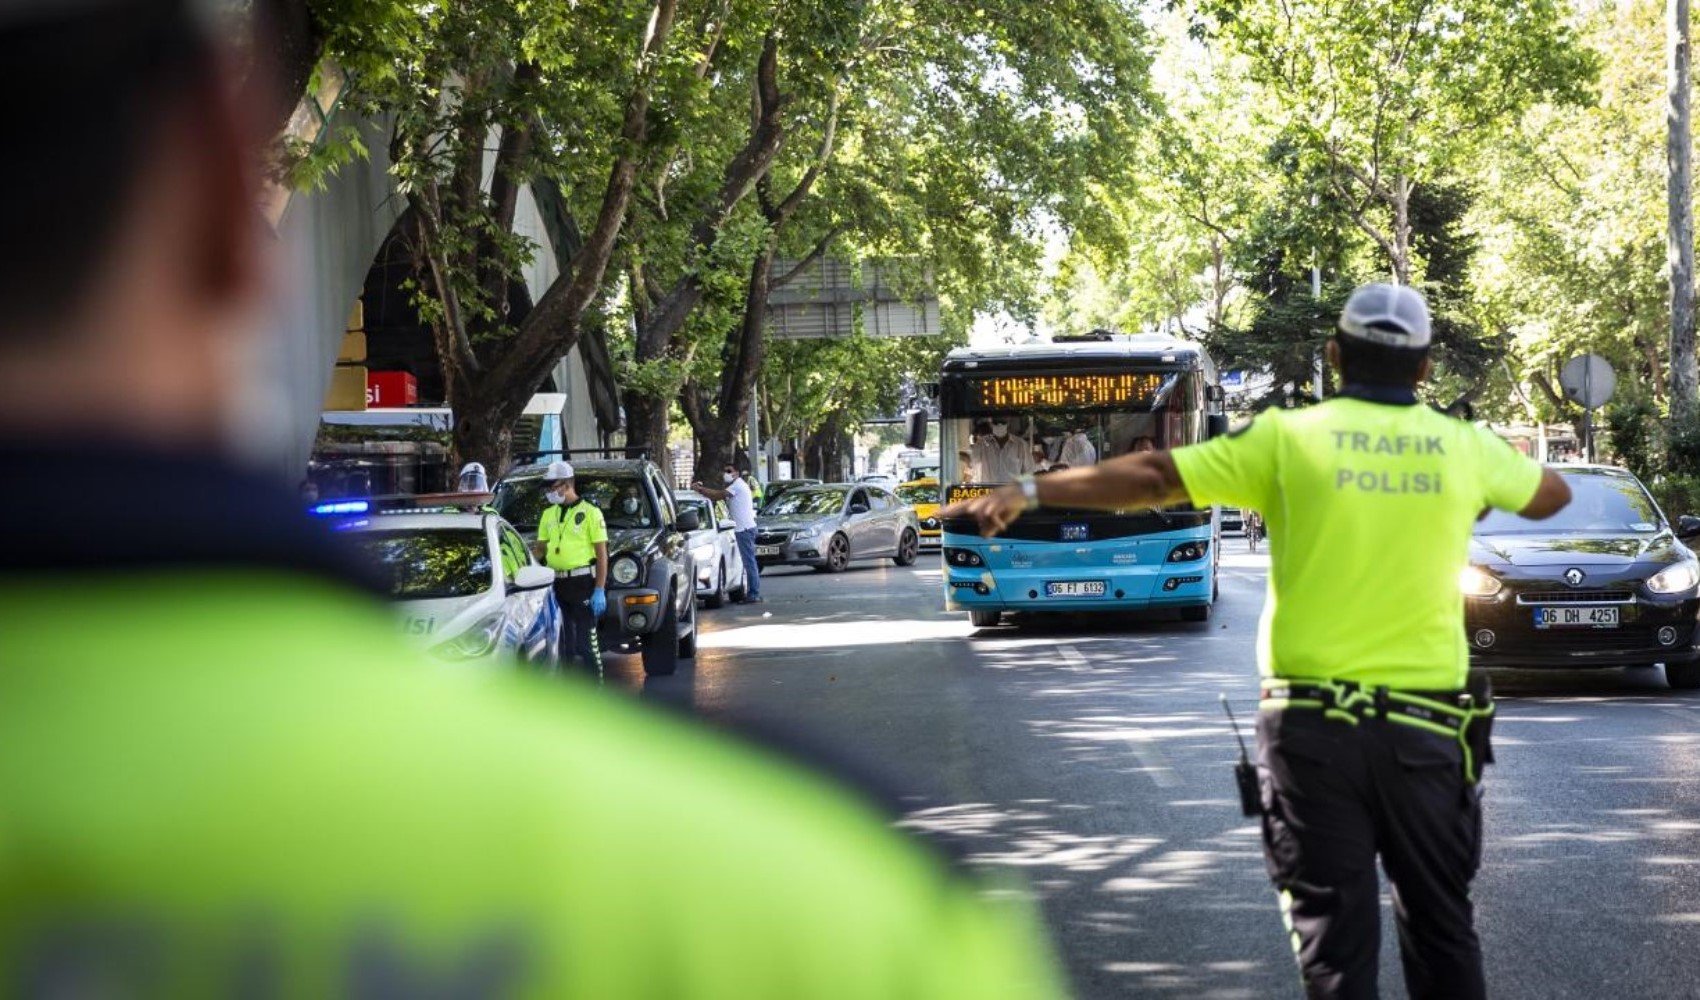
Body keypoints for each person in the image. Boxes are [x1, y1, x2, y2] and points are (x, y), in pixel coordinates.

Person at [0, 3, 1063, 994]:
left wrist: (588, 568)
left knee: (601, 645)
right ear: (233, 206)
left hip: (574, 589)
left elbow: (587, 547)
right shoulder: (825, 900)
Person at [943, 282, 1572, 1000]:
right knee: (1442, 930)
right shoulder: (1459, 448)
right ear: (1425, 369)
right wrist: (1465, 480)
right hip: (1427, 735)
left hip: (1312, 736)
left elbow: (1154, 476)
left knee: (1335, 948)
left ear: (1335, 357)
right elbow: (1550, 492)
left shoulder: (1287, 439)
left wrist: (1030, 492)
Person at [534, 460, 609, 674]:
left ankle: (595, 688)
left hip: (583, 583)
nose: (550, 491)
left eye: (553, 486)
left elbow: (601, 555)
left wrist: (599, 589)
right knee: (564, 644)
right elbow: (540, 550)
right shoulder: (549, 514)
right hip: (557, 583)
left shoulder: (591, 512)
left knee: (587, 644)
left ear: (567, 484)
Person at [693, 463, 763, 604]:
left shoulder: (737, 486)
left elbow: (718, 495)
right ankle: (753, 593)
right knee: (749, 563)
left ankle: (753, 594)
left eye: (729, 471)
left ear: (736, 472)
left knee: (749, 563)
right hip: (745, 528)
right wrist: (702, 489)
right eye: (725, 471)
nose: (726, 473)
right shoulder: (736, 485)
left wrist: (700, 489)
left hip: (744, 529)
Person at [970, 418, 1034, 482]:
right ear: (991, 424)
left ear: (1008, 422)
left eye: (1002, 422)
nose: (999, 425)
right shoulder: (981, 444)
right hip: (989, 490)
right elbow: (975, 470)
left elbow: (1029, 471)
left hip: (1012, 490)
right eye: (996, 422)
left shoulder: (1021, 445)